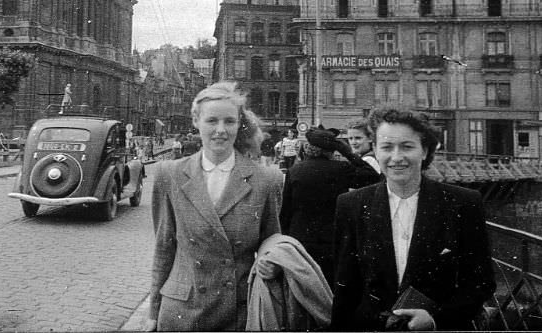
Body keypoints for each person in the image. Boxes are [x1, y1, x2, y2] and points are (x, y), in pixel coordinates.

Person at [332, 105, 496, 331]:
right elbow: (345, 287)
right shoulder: (351, 204)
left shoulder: (463, 202)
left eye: (407, 147)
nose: (396, 157)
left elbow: (481, 282)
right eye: (387, 147)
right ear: (376, 151)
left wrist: (437, 319)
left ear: (425, 151)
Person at [147, 81, 283, 331]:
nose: (220, 130)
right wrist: (153, 312)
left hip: (237, 310)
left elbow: (272, 242)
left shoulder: (266, 180)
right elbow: (164, 247)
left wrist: (271, 262)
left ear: (239, 124)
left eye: (229, 121)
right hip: (182, 311)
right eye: (212, 121)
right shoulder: (170, 174)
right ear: (196, 121)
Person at [279, 125, 377, 285]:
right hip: (331, 240)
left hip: (300, 239)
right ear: (331, 149)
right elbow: (372, 176)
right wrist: (346, 151)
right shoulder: (341, 169)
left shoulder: (295, 171)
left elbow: (286, 211)